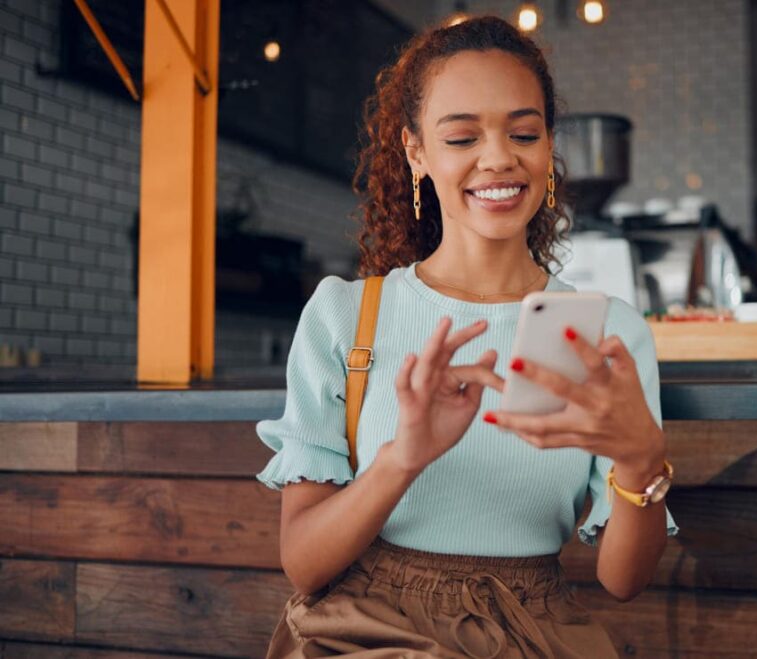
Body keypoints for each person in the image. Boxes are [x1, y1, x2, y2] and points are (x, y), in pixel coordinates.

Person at [255, 15, 676, 659]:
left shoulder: (604, 330)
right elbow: (304, 565)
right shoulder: (346, 316)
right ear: (416, 151)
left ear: (547, 149)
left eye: (524, 132)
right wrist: (403, 456)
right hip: (370, 631)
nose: (500, 157)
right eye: (461, 137)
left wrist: (642, 462)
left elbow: (623, 582)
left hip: (536, 632)